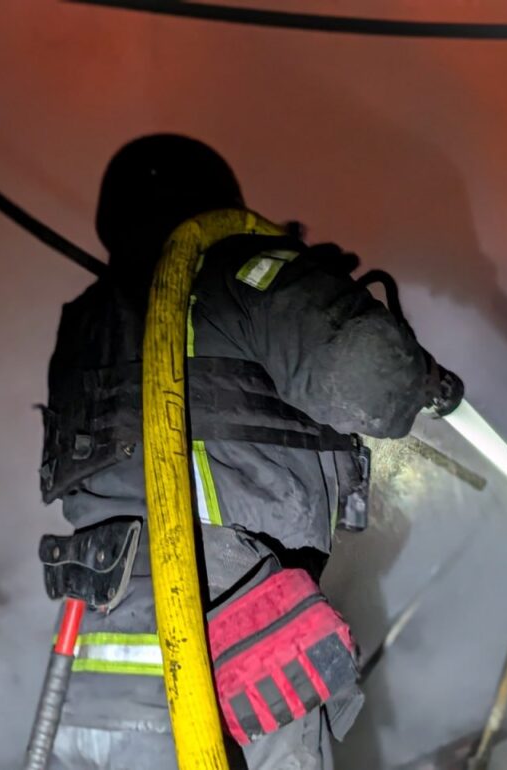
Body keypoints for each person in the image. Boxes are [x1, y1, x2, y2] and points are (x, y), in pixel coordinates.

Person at [36, 134, 457, 769]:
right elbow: (367, 378)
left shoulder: (88, 324)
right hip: (229, 656)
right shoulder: (241, 269)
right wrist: (339, 309)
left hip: (91, 675)